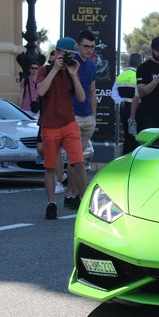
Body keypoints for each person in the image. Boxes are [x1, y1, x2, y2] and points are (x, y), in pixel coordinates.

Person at [35, 37, 87, 220]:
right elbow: (40, 91)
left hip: (69, 124)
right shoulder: (45, 70)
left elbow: (81, 98)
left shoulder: (72, 71)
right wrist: (55, 68)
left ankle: (85, 201)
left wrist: (73, 74)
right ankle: (51, 203)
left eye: (72, 55)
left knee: (79, 163)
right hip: (49, 125)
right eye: (66, 54)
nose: (69, 58)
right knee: (50, 166)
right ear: (57, 53)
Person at [64, 30, 97, 209]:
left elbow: (92, 92)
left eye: (92, 47)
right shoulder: (71, 62)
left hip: (87, 118)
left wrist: (93, 116)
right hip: (73, 116)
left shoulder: (92, 65)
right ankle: (75, 194)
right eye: (86, 46)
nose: (89, 49)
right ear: (78, 46)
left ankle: (70, 194)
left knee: (77, 158)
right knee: (76, 158)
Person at [36, 50, 66, 195]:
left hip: (60, 118)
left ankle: (58, 179)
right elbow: (40, 91)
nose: (56, 58)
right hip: (45, 116)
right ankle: (55, 173)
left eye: (59, 55)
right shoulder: (45, 70)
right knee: (41, 148)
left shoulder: (67, 71)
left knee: (57, 152)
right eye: (54, 55)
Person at [111, 53, 142, 154]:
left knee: (127, 136)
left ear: (129, 62)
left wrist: (120, 101)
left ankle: (125, 155)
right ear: (140, 64)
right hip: (137, 110)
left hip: (124, 109)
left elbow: (113, 93)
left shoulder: (121, 76)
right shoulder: (139, 76)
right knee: (136, 137)